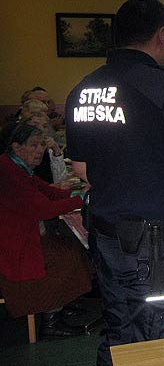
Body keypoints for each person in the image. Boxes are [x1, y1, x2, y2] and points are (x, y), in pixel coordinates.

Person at [65, 0, 164, 366]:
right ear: (160, 35)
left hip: (106, 236)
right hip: (154, 248)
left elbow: (82, 170)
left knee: (120, 327)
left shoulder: (84, 89)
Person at [0, 124, 92, 338]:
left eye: (41, 144)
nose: (40, 149)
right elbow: (41, 209)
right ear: (16, 146)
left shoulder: (17, 167)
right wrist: (82, 199)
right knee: (65, 257)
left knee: (72, 246)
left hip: (20, 236)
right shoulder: (7, 171)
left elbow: (46, 191)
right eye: (33, 145)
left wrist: (73, 194)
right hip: (12, 246)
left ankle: (64, 300)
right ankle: (51, 321)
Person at [22, 112, 67, 184]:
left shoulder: (49, 150)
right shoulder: (22, 150)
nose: (40, 129)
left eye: (44, 126)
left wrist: (57, 152)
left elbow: (61, 180)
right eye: (35, 125)